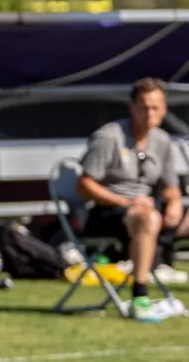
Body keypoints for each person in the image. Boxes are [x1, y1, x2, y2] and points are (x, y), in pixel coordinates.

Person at [77, 77, 182, 315]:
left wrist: (175, 203)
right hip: (107, 213)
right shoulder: (109, 136)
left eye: (155, 108)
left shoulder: (162, 141)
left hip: (148, 212)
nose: (149, 114)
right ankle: (140, 294)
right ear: (131, 107)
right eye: (144, 107)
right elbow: (84, 185)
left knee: (156, 216)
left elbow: (171, 187)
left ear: (164, 109)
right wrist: (126, 202)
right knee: (147, 218)